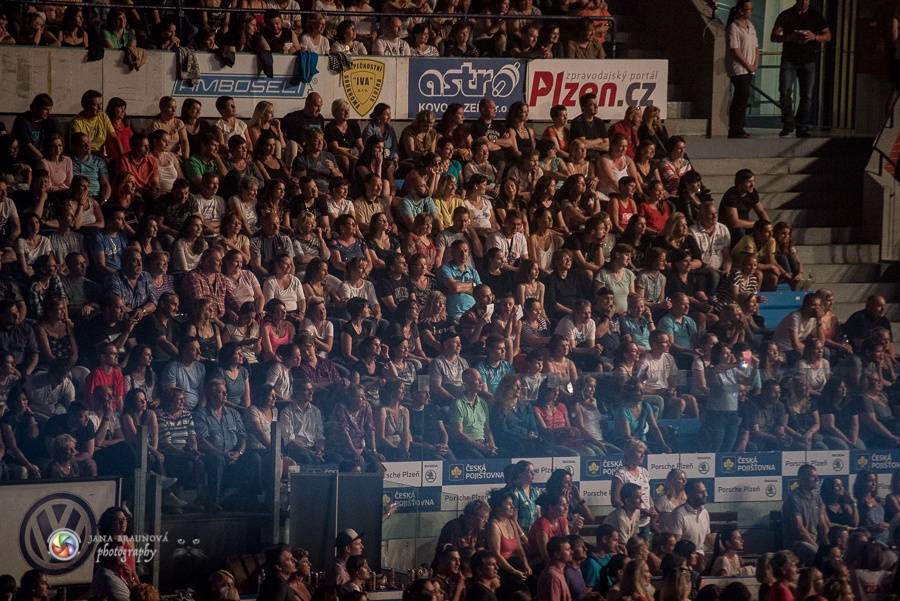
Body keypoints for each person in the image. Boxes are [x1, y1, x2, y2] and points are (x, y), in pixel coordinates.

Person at [770, 0, 831, 137]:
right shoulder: (786, 15)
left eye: (807, 0)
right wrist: (790, 37)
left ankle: (801, 126)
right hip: (789, 60)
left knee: (807, 96)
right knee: (785, 92)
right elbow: (774, 36)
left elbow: (828, 35)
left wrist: (814, 37)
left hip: (808, 60)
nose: (804, 2)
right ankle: (788, 123)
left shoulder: (816, 16)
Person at [782, 464, 830, 565]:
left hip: (815, 541)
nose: (817, 479)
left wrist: (827, 546)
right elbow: (799, 529)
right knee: (816, 554)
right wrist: (816, 548)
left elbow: (823, 525)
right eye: (813, 476)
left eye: (817, 476)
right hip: (797, 543)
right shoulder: (794, 499)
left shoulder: (817, 497)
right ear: (802, 479)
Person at [726, 1, 759, 138]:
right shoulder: (733, 27)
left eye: (751, 9)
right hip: (739, 68)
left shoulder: (750, 26)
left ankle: (739, 126)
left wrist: (755, 63)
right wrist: (748, 65)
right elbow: (736, 50)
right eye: (747, 9)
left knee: (744, 97)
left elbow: (756, 47)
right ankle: (735, 128)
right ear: (740, 10)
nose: (750, 12)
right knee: (742, 94)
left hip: (750, 68)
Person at [665, 481, 711, 553]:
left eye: (705, 491)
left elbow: (707, 539)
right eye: (700, 492)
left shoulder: (704, 512)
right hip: (683, 558)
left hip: (700, 557)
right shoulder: (678, 514)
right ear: (689, 494)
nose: (705, 494)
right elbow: (674, 545)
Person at [538, 537, 573, 601]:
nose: (572, 552)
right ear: (556, 554)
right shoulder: (552, 577)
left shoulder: (559, 571)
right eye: (568, 550)